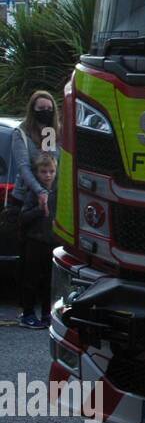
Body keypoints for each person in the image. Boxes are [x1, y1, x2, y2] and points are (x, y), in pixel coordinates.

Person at [7, 91, 60, 327]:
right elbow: (24, 167)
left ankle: (47, 312)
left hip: (52, 200)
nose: (45, 112)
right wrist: (40, 191)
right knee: (27, 264)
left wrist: (52, 190)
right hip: (27, 199)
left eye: (49, 108)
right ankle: (26, 311)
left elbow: (53, 161)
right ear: (32, 109)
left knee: (49, 267)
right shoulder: (22, 133)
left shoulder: (53, 132)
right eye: (40, 108)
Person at [18, 152, 57, 328]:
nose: (48, 175)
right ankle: (27, 313)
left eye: (51, 171)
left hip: (52, 241)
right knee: (31, 280)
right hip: (35, 241)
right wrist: (40, 210)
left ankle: (47, 314)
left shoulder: (57, 192)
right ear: (37, 173)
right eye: (43, 172)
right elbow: (23, 217)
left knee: (49, 281)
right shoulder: (34, 193)